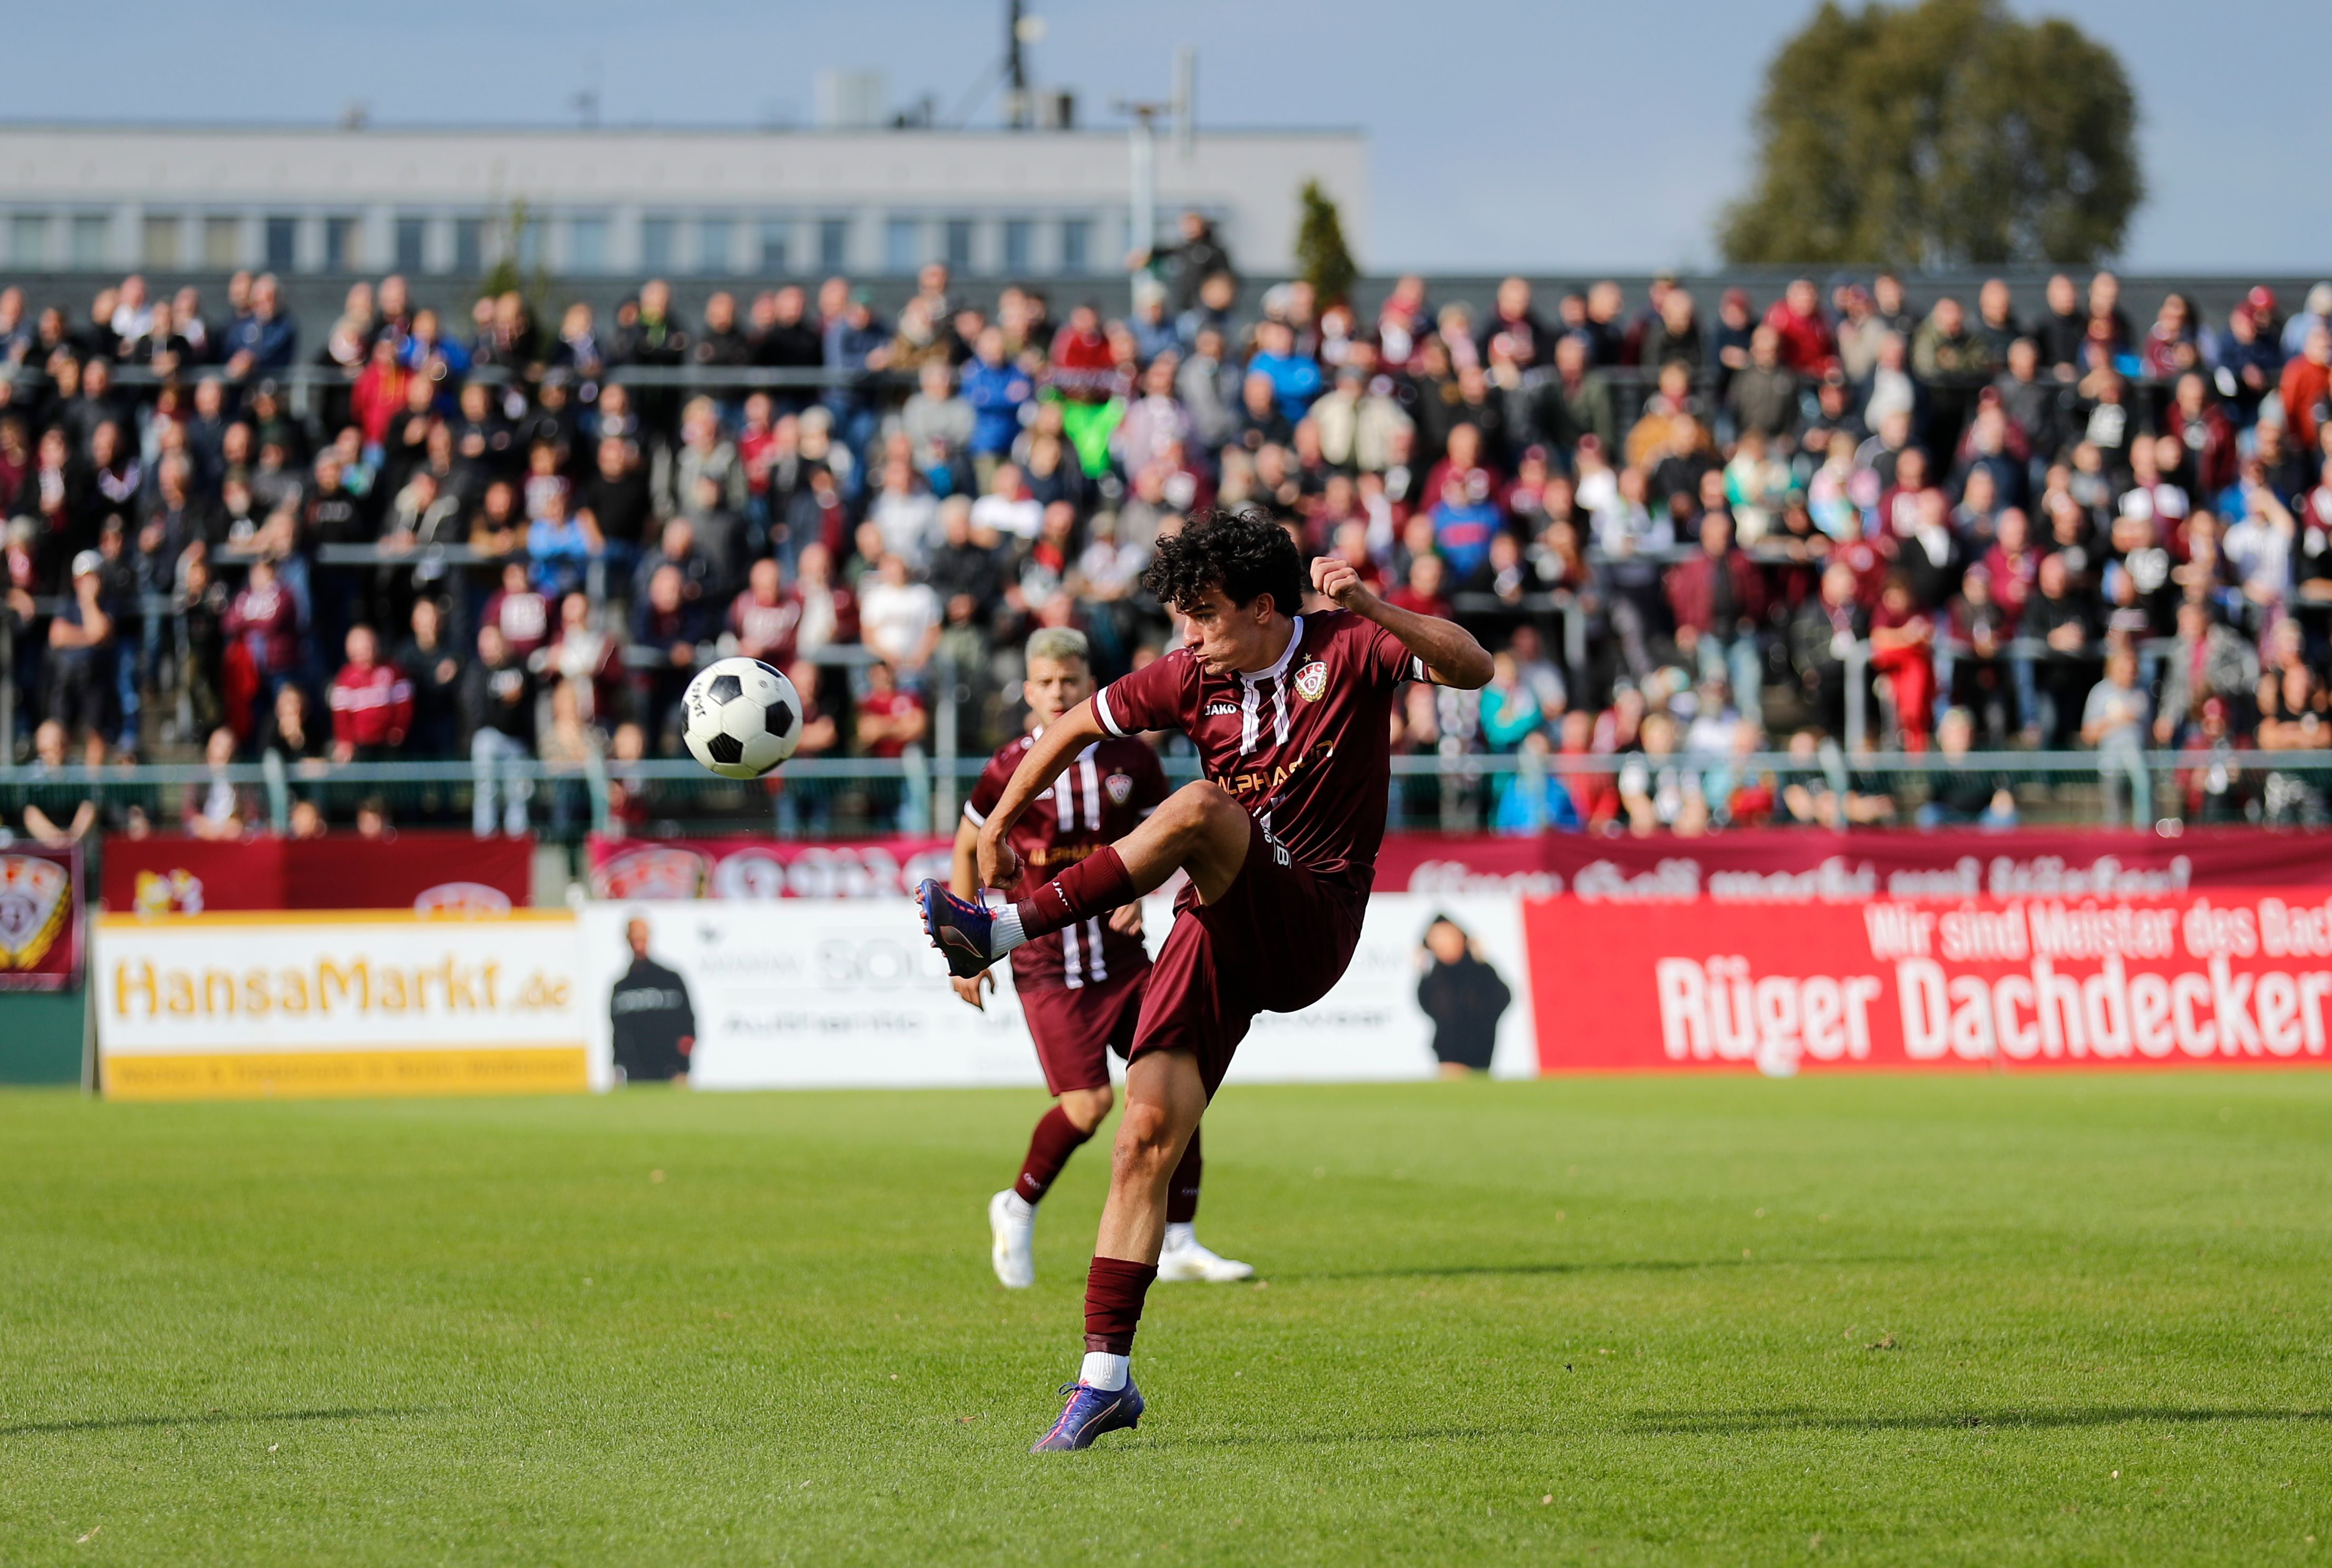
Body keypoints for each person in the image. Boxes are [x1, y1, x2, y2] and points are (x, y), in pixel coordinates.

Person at [918, 508, 1491, 1451]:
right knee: (1141, 1136)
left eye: (1204, 615)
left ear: (1264, 608)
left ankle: (1002, 929)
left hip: (1312, 914)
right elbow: (1071, 726)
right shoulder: (1189, 675)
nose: (1186, 636)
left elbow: (1473, 667)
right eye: (1181, 617)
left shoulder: (1349, 645)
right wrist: (996, 827)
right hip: (1214, 923)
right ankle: (1104, 1380)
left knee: (1199, 807)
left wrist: (1374, 604)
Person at [948, 627, 1249, 1292]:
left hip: (1121, 958)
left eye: (1070, 681)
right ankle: (1016, 1205)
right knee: (1087, 1105)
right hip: (1046, 965)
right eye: (1045, 682)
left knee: (1178, 1081)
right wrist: (966, 952)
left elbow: (1162, 838)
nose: (1058, 692)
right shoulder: (1007, 766)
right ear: (1028, 692)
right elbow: (968, 845)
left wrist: (1139, 892)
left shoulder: (1130, 760)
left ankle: (1179, 1240)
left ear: (1090, 685)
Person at [1415, 916, 1512, 1077]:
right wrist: (1423, 971)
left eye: (1448, 936)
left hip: (1481, 1049)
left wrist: (1480, 962)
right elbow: (1432, 1007)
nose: (1443, 943)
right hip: (1450, 1052)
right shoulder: (1434, 977)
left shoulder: (1482, 971)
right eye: (1436, 938)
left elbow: (1502, 998)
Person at [608, 916, 695, 1085]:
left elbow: (688, 1026)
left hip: (671, 1072)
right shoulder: (621, 988)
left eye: (641, 938)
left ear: (649, 937)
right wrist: (618, 1068)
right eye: (634, 939)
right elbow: (618, 1034)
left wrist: (684, 1068)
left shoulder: (670, 981)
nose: (638, 944)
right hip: (636, 1075)